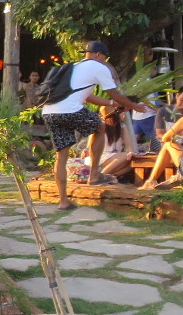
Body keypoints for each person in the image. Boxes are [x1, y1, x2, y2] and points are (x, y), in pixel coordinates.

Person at [40, 41, 152, 209]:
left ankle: (63, 201)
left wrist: (111, 103)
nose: (105, 61)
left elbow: (86, 97)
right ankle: (94, 175)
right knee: (100, 127)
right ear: (99, 55)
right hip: (70, 110)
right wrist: (134, 106)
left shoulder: (74, 67)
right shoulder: (98, 67)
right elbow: (113, 92)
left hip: (49, 112)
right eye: (104, 58)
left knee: (61, 157)